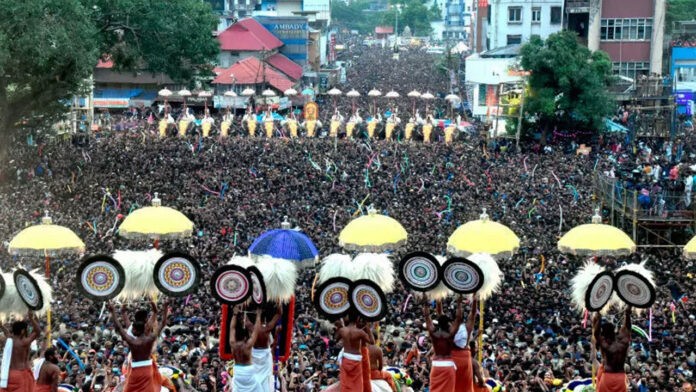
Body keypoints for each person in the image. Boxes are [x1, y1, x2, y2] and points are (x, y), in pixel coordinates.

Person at [107, 300, 169, 392]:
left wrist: (112, 312)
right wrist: (165, 307)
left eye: (134, 330)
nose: (132, 330)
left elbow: (118, 327)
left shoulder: (132, 341)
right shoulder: (150, 338)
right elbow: (163, 323)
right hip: (148, 370)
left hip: (135, 371)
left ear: (137, 330)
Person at [423, 294, 462, 392]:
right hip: (448, 365)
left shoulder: (433, 332)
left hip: (436, 365)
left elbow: (427, 316)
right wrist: (459, 303)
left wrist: (425, 302)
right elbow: (458, 318)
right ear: (447, 324)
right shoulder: (450, 334)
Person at [593, 307, 632, 392]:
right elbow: (628, 328)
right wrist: (627, 314)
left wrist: (598, 318)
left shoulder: (605, 344)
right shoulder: (623, 341)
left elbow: (596, 333)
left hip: (608, 376)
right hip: (620, 377)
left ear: (605, 335)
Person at [244, 305, 282, 392]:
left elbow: (243, 317)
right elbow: (279, 313)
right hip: (263, 355)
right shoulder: (267, 328)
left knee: (256, 377)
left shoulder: (251, 327)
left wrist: (240, 302)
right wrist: (279, 301)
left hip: (255, 354)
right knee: (265, 378)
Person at [0, 312, 41, 392]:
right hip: (21, 375)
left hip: (9, 375)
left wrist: (2, 326)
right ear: (22, 331)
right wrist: (31, 319)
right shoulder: (24, 342)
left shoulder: (8, 340)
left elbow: (7, 333)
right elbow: (37, 332)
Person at [335, 317, 374, 392]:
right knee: (357, 383)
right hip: (356, 360)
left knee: (345, 382)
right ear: (357, 319)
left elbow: (335, 339)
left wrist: (339, 327)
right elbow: (372, 342)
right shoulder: (360, 332)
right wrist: (368, 329)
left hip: (345, 359)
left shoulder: (342, 330)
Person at [229, 307, 262, 392]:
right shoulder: (248, 345)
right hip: (248, 371)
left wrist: (235, 314)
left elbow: (232, 328)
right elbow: (256, 331)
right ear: (245, 338)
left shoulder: (233, 343)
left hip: (238, 371)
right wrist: (258, 316)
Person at [451, 296, 476, 392]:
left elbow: (473, 314)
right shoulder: (463, 328)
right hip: (461, 359)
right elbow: (473, 313)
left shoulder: (451, 328)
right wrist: (475, 298)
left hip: (456, 360)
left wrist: (459, 303)